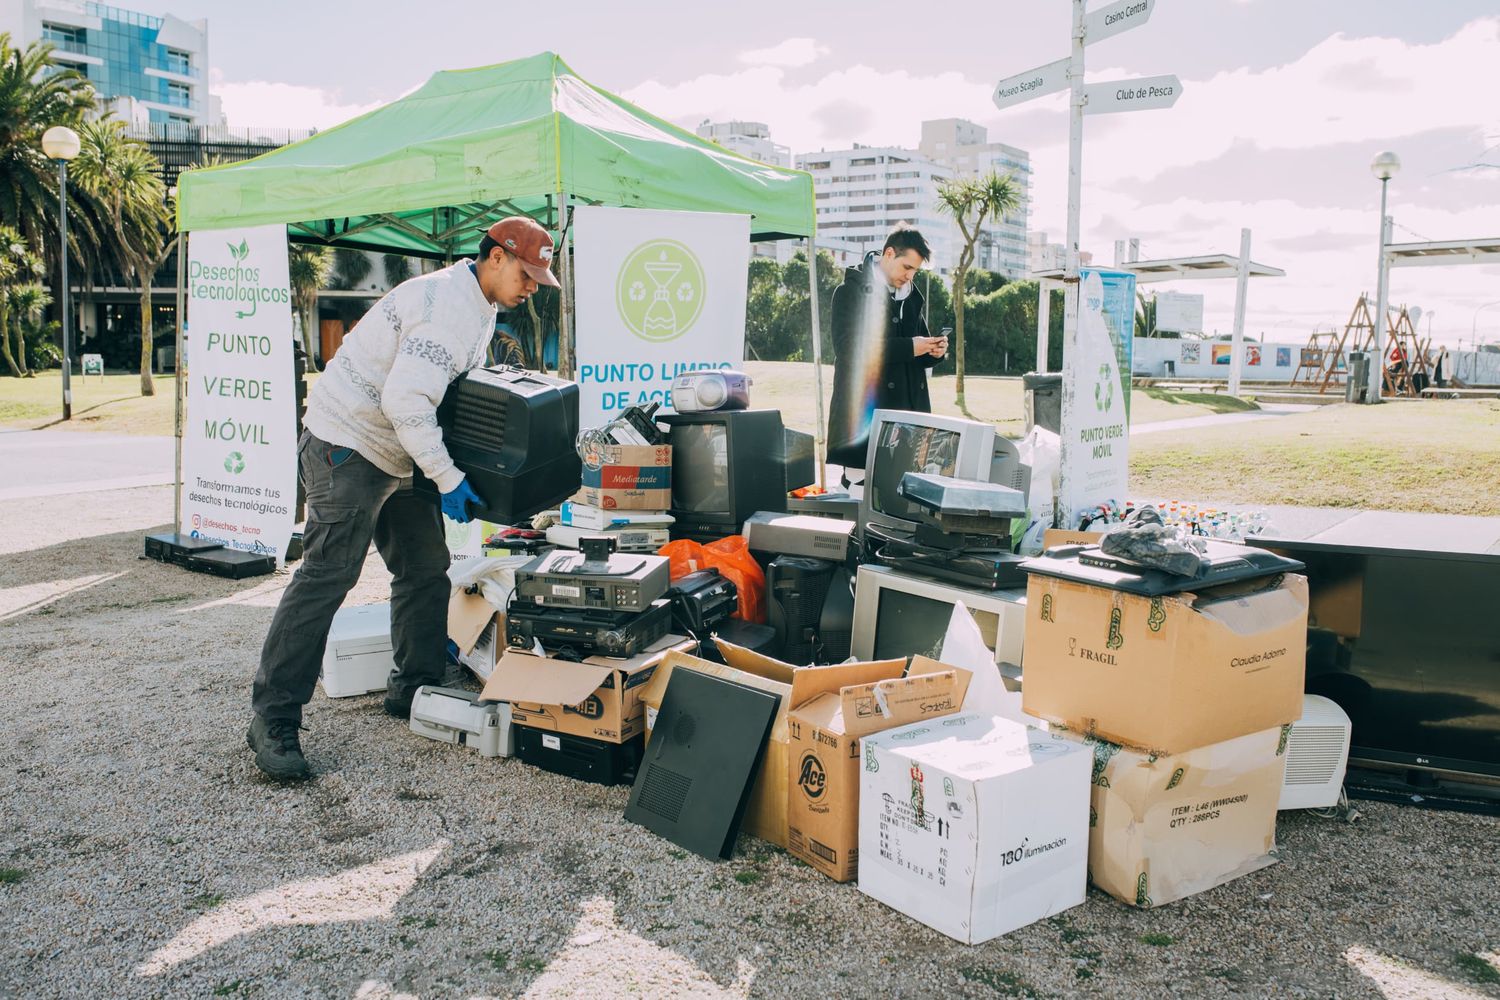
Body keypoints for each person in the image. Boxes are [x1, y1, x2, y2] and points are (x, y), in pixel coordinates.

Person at [247, 216, 559, 781]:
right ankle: (274, 716)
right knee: (328, 576)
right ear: (494, 257)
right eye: (527, 272)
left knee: (424, 569)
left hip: (398, 449)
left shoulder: (478, 302)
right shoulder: (446, 309)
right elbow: (407, 403)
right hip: (348, 443)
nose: (533, 286)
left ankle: (414, 686)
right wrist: (448, 478)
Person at [826, 223, 947, 474]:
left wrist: (934, 351)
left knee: (904, 503)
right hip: (864, 421)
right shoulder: (849, 292)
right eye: (907, 267)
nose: (910, 276)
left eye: (915, 271)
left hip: (909, 422)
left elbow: (916, 349)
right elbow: (849, 349)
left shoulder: (910, 296)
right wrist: (911, 347)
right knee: (859, 499)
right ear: (889, 254)